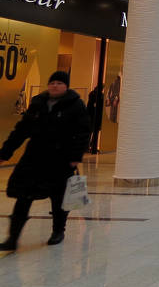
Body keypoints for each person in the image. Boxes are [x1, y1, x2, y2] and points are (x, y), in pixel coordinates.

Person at [0, 71, 91, 251]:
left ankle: (58, 231)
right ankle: (13, 238)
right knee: (23, 196)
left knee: (58, 199)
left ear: (66, 86)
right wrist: (5, 152)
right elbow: (21, 130)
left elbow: (83, 133)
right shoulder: (38, 103)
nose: (55, 85)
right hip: (34, 158)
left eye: (59, 83)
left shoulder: (76, 106)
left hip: (61, 160)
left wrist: (75, 157)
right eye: (52, 82)